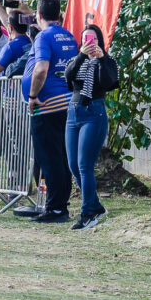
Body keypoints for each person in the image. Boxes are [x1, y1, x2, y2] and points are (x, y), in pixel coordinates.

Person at [13, 0, 82, 222]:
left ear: (39, 15)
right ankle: (59, 204)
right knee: (61, 157)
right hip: (66, 103)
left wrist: (32, 96)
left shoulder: (43, 36)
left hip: (47, 106)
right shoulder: (68, 35)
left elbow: (41, 69)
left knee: (49, 159)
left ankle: (56, 208)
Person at [59, 23, 120, 228]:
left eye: (93, 39)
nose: (89, 42)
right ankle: (95, 205)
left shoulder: (108, 62)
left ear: (100, 41)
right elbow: (68, 77)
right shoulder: (76, 60)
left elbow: (107, 82)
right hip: (73, 111)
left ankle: (88, 212)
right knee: (73, 165)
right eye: (85, 39)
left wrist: (101, 59)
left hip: (94, 112)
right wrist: (82, 56)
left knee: (85, 164)